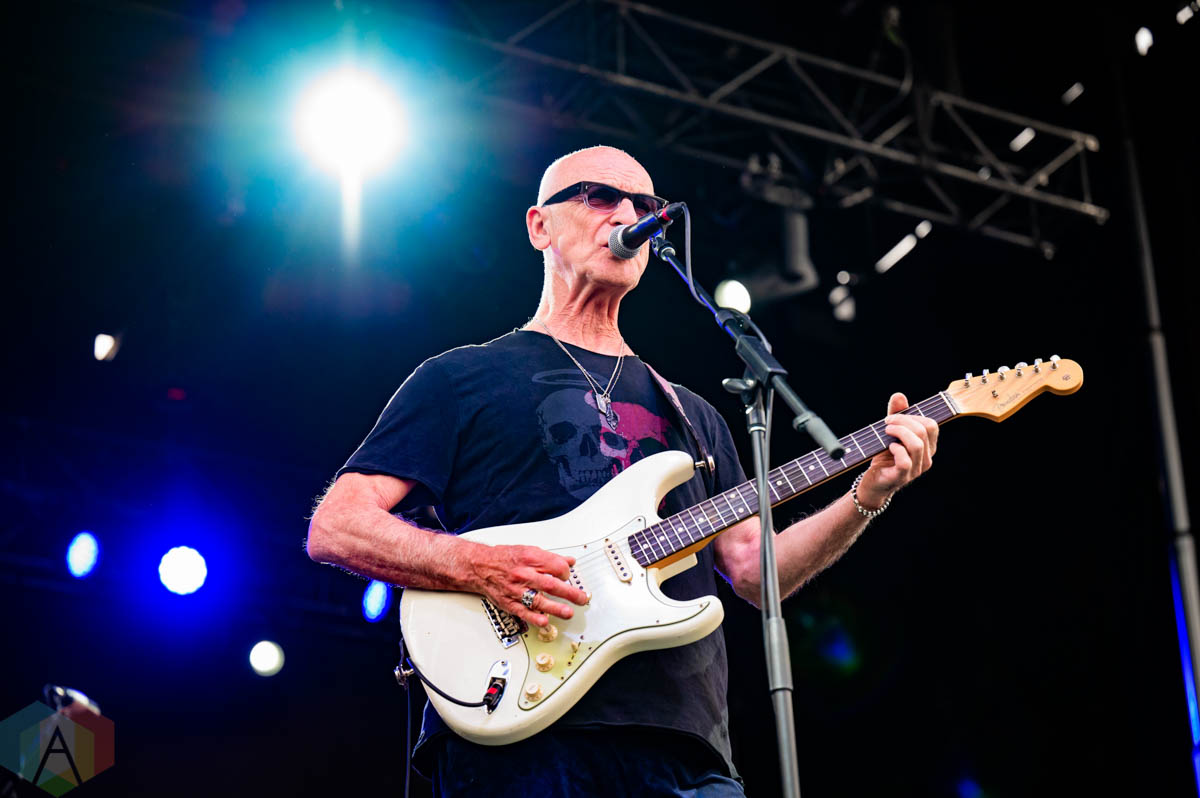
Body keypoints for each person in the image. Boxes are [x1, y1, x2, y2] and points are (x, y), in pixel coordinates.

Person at [306, 146, 938, 796]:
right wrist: (475, 566)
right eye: (600, 196)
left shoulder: (692, 413)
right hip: (520, 737)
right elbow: (338, 526)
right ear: (539, 226)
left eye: (645, 205)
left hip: (684, 748)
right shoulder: (460, 378)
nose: (629, 215)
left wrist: (868, 493)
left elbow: (755, 570)